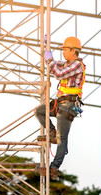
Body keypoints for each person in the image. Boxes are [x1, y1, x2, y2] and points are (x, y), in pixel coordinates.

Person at [35, 36, 86, 180]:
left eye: (65, 49)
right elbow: (54, 66)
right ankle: (52, 133)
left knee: (62, 138)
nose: (63, 52)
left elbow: (57, 73)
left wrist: (50, 60)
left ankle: (54, 167)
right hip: (61, 103)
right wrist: (47, 49)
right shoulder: (68, 63)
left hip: (68, 105)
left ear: (72, 50)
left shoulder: (76, 65)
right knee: (40, 111)